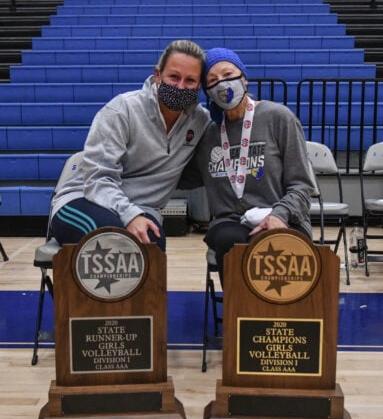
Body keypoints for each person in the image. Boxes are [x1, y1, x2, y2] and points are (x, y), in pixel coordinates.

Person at [50, 40, 211, 250]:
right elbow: (97, 179)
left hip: (143, 209)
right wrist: (129, 215)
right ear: (157, 75)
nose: (180, 86)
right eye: (174, 77)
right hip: (85, 199)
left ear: (199, 86)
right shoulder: (122, 110)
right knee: (112, 238)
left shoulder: (201, 122)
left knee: (151, 241)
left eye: (190, 80)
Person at [181, 47, 316, 283]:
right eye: (212, 81)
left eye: (228, 74)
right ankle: (239, 317)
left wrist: (279, 215)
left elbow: (303, 185)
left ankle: (275, 317)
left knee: (266, 243)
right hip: (230, 221)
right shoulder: (208, 134)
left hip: (283, 218)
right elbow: (181, 176)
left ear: (243, 77)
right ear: (208, 92)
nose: (222, 84)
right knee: (229, 242)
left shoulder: (278, 117)